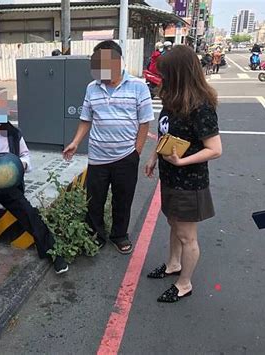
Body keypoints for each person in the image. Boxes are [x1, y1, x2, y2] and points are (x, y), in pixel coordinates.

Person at [144, 45, 222, 303]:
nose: (162, 78)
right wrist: (155, 155)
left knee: (187, 236)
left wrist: (182, 161)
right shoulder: (172, 99)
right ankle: (173, 264)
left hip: (190, 183)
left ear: (180, 73)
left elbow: (215, 149)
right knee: (173, 224)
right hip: (170, 178)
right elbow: (166, 133)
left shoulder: (201, 107)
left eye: (166, 73)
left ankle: (184, 283)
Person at [63, 40, 155, 254]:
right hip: (98, 156)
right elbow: (86, 118)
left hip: (126, 156)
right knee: (94, 200)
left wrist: (137, 152)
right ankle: (95, 235)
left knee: (123, 200)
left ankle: (119, 235)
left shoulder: (138, 86)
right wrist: (75, 142)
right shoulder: (92, 88)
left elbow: (145, 122)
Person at [0, 92, 69, 274]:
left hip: (8, 183)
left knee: (27, 211)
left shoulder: (13, 134)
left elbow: (26, 156)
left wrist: (21, 164)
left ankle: (52, 251)